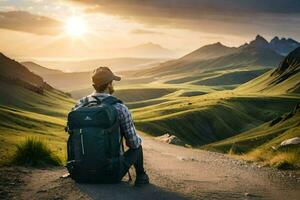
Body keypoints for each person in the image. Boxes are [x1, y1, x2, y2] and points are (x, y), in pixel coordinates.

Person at [73, 67, 149, 186]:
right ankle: (141, 177)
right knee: (137, 147)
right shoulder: (119, 108)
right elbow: (133, 143)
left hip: (80, 172)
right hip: (111, 173)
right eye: (112, 82)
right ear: (109, 84)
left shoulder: (79, 105)